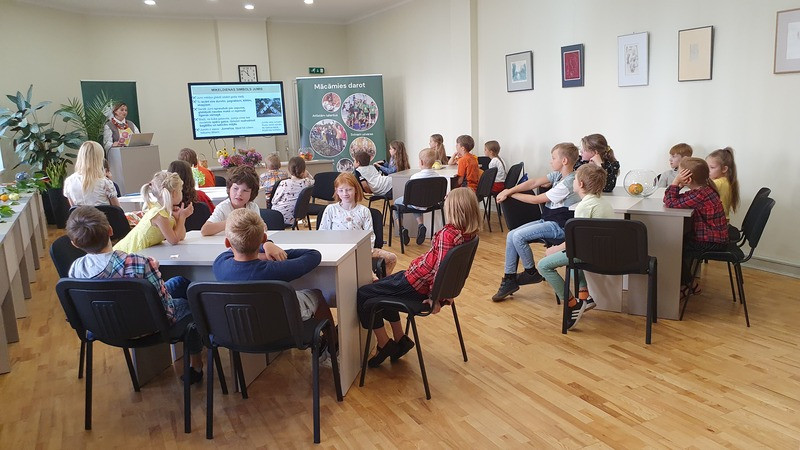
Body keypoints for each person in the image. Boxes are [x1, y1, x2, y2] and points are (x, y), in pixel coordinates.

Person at [66, 206, 204, 383]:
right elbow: (165, 308)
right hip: (149, 325)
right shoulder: (139, 263)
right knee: (193, 304)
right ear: (110, 230)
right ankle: (196, 364)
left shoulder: (75, 269)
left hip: (103, 326)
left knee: (179, 282)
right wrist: (153, 270)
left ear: (75, 244)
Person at [356, 187, 480, 367]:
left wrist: (435, 298)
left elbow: (440, 269)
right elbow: (455, 270)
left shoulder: (448, 234)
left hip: (416, 284)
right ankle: (400, 339)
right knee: (382, 287)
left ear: (454, 209)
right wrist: (447, 292)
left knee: (364, 294)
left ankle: (384, 344)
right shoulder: (468, 234)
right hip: (415, 279)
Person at [212, 208, 336, 350]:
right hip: (282, 329)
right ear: (263, 238)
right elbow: (313, 255)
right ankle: (332, 346)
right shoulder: (276, 269)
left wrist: (261, 249)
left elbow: (230, 253)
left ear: (227, 243)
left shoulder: (219, 264)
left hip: (238, 329)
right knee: (317, 294)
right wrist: (268, 246)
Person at [492, 142, 581, 302]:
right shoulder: (558, 175)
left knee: (518, 236)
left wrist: (510, 194)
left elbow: (536, 199)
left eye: (553, 158)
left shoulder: (568, 183)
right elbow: (533, 183)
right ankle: (509, 279)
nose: (550, 161)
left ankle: (531, 273)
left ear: (564, 161)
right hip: (549, 220)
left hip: (560, 227)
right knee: (511, 235)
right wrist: (509, 190)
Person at [538, 164, 614, 329]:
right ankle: (585, 296)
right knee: (570, 256)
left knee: (543, 265)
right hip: (603, 251)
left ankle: (572, 304)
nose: (572, 181)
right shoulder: (603, 203)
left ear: (580, 184)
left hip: (589, 253)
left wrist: (553, 249)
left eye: (574, 179)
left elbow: (575, 242)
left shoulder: (584, 207)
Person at [663, 157, 728, 295]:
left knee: (672, 248)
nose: (678, 176)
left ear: (688, 179)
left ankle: (689, 285)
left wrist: (675, 183)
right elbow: (670, 200)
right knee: (677, 243)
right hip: (714, 237)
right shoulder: (703, 190)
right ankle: (687, 282)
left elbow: (670, 203)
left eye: (679, 174)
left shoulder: (700, 195)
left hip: (711, 241)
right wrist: (678, 186)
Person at [318, 172, 398, 276]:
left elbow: (370, 235)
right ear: (336, 191)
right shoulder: (331, 209)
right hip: (337, 250)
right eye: (341, 190)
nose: (345, 193)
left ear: (356, 189)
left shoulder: (364, 211)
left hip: (360, 249)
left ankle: (381, 281)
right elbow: (323, 233)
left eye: (349, 189)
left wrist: (365, 251)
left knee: (391, 258)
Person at [114, 171, 193, 253]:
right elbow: (174, 240)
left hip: (139, 253)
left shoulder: (165, 212)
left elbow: (181, 236)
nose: (181, 193)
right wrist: (182, 217)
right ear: (174, 193)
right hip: (126, 254)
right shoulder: (159, 215)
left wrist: (178, 219)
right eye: (180, 190)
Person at [393, 148, 441, 246]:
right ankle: (420, 225)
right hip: (431, 204)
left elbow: (410, 197)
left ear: (421, 162)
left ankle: (401, 228)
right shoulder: (438, 177)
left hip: (415, 203)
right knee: (417, 201)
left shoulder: (415, 177)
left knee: (398, 203)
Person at [201, 166, 261, 236]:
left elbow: (260, 229)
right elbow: (205, 230)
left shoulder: (253, 207)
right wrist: (233, 222)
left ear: (252, 193)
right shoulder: (223, 207)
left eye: (245, 190)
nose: (239, 194)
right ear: (229, 188)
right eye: (235, 188)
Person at [63, 141, 120, 207]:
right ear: (99, 159)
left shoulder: (69, 182)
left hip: (82, 214)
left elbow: (74, 209)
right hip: (103, 214)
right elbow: (118, 210)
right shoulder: (105, 183)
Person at [271, 156, 315, 226]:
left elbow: (274, 201)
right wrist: (306, 173)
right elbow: (313, 180)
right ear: (303, 170)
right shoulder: (306, 182)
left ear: (289, 169)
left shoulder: (284, 183)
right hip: (294, 217)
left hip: (278, 217)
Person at [706, 147, 740, 221]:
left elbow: (699, 192)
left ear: (724, 169)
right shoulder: (725, 181)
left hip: (718, 223)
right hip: (722, 221)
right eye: (706, 167)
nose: (707, 170)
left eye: (712, 167)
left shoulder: (718, 183)